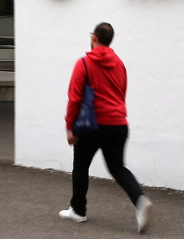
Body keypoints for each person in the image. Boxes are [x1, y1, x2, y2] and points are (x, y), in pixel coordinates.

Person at [59, 22, 153, 234]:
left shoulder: (83, 64)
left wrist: (69, 127)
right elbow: (121, 93)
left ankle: (78, 211)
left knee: (81, 165)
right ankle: (140, 201)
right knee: (118, 167)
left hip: (93, 125)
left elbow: (74, 98)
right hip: (119, 124)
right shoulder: (119, 64)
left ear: (94, 37)